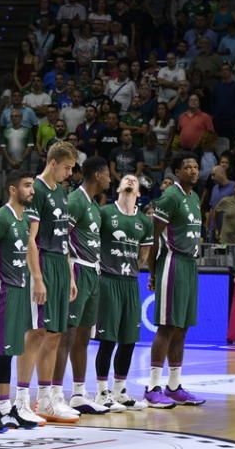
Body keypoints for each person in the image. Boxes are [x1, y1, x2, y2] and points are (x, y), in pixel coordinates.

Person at [17, 141, 78, 425]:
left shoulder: (62, 192)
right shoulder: (37, 190)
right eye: (67, 167)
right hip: (42, 262)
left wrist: (70, 274)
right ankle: (20, 399)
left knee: (55, 334)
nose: (69, 173)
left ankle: (46, 399)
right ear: (53, 162)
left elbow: (64, 238)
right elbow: (30, 239)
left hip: (60, 263)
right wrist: (38, 277)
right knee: (36, 332)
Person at [0, 170, 39, 430]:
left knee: (8, 353)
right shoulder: (2, 217)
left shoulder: (24, 219)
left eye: (32, 186)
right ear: (13, 190)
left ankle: (4, 408)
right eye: (27, 186)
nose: (32, 191)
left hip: (18, 291)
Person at [146, 152, 207, 407]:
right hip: (172, 263)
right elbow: (153, 237)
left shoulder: (194, 198)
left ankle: (174, 386)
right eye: (188, 167)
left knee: (182, 327)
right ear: (177, 172)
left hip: (190, 265)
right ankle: (152, 388)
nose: (193, 170)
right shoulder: (170, 196)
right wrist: (152, 272)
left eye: (195, 166)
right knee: (167, 326)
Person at [53, 157, 112, 415]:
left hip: (93, 271)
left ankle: (78, 393)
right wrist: (70, 275)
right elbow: (62, 238)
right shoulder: (76, 201)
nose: (111, 178)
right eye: (108, 173)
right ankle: (53, 393)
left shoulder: (95, 206)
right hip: (76, 268)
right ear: (98, 175)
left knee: (84, 337)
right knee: (66, 334)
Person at [94, 174, 154, 410]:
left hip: (130, 282)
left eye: (134, 181)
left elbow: (145, 252)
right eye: (126, 180)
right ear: (118, 187)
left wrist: (137, 267)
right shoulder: (105, 213)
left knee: (129, 339)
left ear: (139, 192)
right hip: (108, 280)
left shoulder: (144, 221)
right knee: (107, 338)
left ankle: (120, 391)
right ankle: (101, 392)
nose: (130, 182)